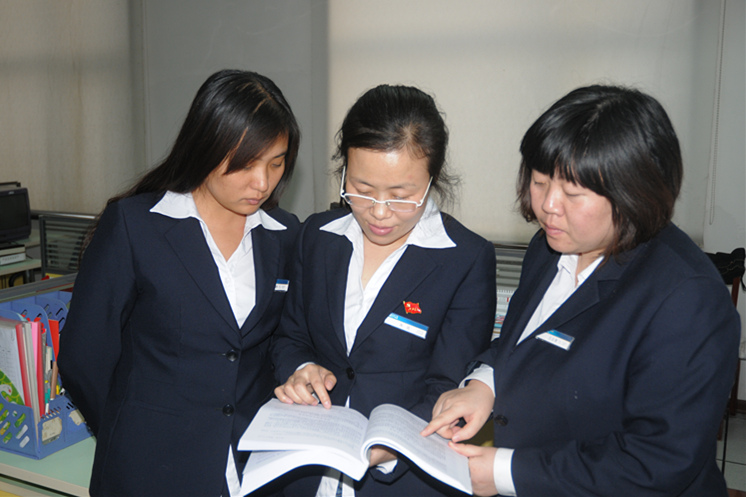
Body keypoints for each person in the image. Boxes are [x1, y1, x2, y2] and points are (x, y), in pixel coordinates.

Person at [422, 84, 742, 497]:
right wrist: (484, 383)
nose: (548, 206)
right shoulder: (550, 245)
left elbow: (656, 462)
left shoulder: (688, 300)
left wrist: (504, 472)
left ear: (633, 193)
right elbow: (522, 342)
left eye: (573, 194)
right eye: (539, 181)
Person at [58, 69, 301, 497]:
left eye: (276, 163)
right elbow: (84, 357)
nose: (262, 182)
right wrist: (129, 433)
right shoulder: (135, 225)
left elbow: (279, 343)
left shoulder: (284, 234)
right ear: (206, 146)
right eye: (245, 164)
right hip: (150, 471)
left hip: (252, 468)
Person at [271, 84, 496, 497]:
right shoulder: (317, 236)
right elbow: (290, 336)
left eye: (400, 196)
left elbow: (448, 386)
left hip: (401, 474)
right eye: (362, 188)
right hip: (307, 465)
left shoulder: (464, 258)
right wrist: (301, 368)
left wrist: (385, 446)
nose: (378, 212)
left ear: (431, 180)